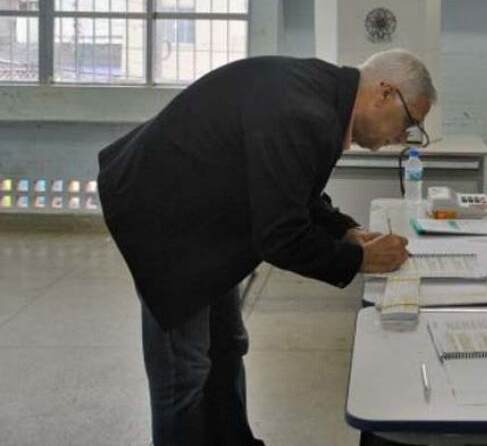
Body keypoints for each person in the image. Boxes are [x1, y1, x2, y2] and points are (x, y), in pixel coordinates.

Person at [97, 49, 436, 446]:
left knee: (227, 346)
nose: (402, 139)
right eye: (409, 123)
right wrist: (359, 259)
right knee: (184, 373)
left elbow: (293, 190)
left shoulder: (325, 98)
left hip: (212, 216)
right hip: (165, 217)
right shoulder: (305, 113)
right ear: (383, 93)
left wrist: (344, 230)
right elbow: (280, 237)